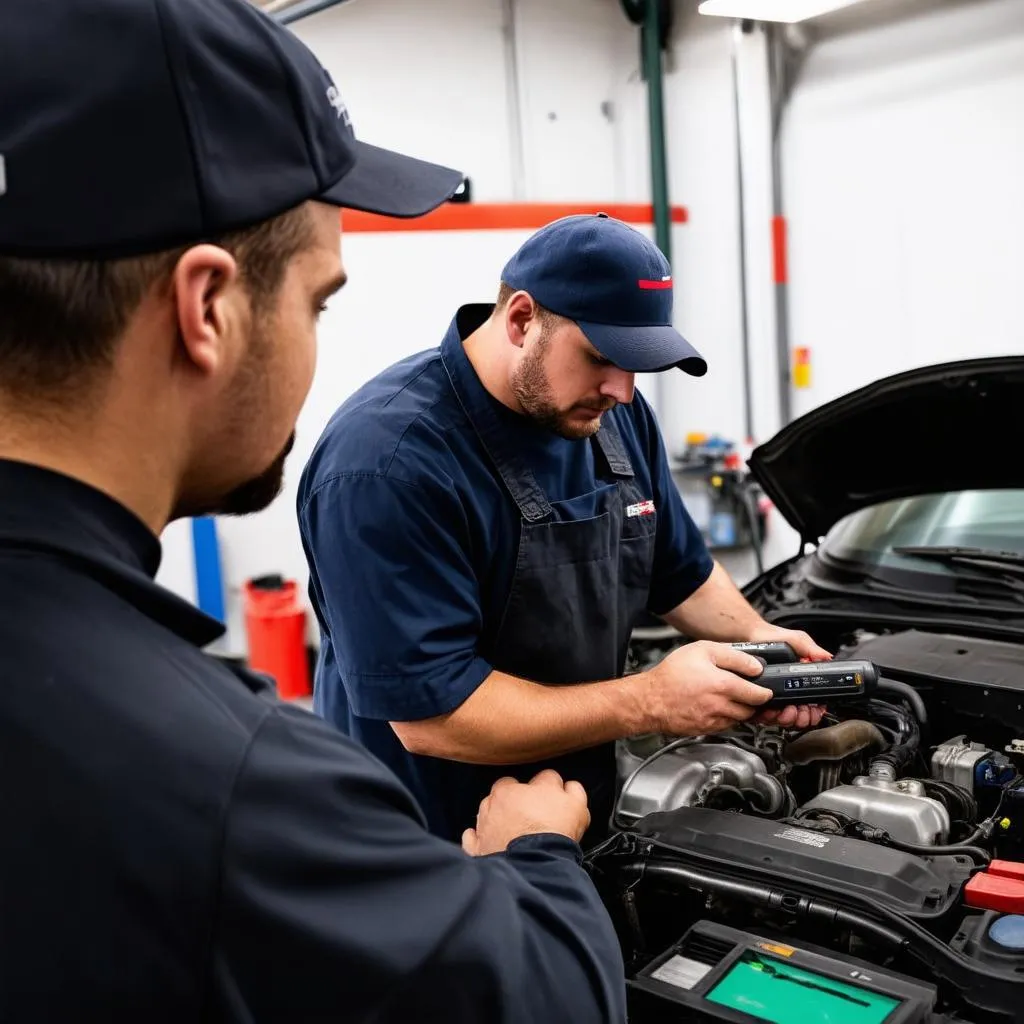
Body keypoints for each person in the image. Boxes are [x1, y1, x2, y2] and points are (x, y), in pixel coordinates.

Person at [0, 2, 629, 1021]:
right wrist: (541, 859)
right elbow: (547, 996)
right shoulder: (226, 785)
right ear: (206, 309)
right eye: (317, 301)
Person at [298, 213, 832, 847]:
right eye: (603, 358)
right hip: (428, 840)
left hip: (579, 813)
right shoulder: (386, 465)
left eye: (638, 366)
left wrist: (762, 645)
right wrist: (653, 700)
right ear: (523, 319)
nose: (623, 392)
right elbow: (435, 717)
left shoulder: (611, 417)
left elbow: (680, 573)